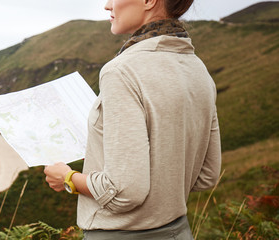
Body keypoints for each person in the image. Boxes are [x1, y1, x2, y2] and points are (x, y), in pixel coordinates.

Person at [43, 0, 221, 239]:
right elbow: (207, 175)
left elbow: (125, 192)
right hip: (179, 232)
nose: (107, 5)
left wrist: (68, 178)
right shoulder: (197, 68)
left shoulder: (121, 71)